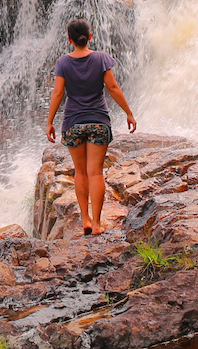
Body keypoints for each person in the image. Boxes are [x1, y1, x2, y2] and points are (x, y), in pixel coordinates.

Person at [46, 19, 136, 236]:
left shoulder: (63, 63)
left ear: (69, 40)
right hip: (98, 122)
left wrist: (49, 121)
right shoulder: (102, 59)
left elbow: (58, 93)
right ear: (90, 37)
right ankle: (96, 224)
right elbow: (113, 87)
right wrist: (128, 113)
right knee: (95, 173)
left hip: (73, 123)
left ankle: (84, 219)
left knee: (80, 172)